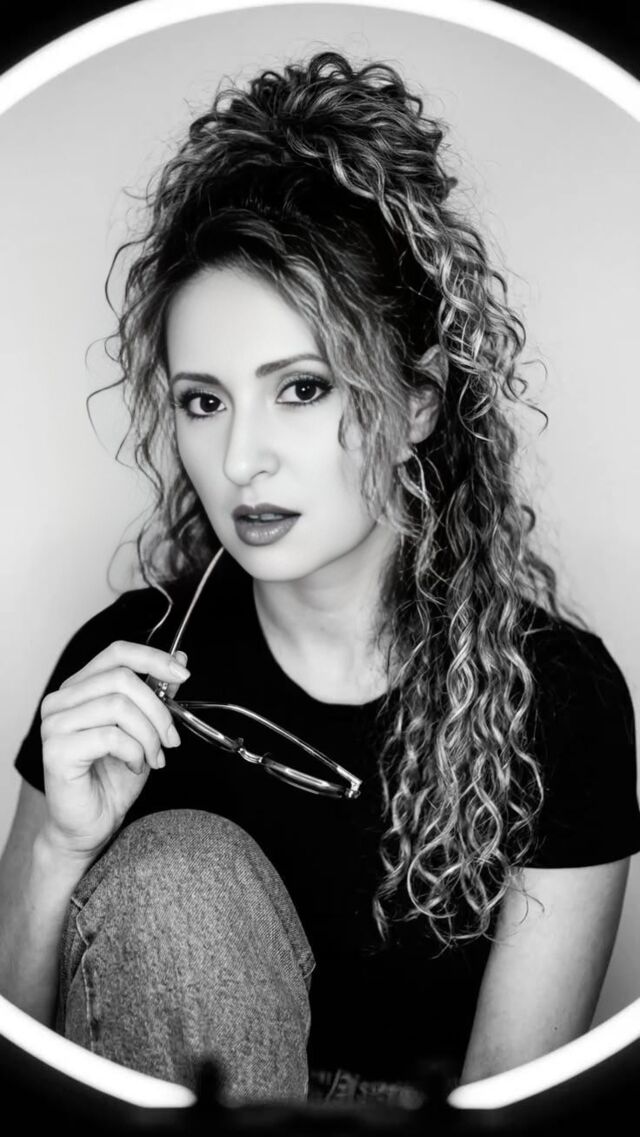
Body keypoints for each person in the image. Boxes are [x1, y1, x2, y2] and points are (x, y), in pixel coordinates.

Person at [0, 51, 638, 1109]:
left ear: (418, 403)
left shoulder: (555, 700)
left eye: (300, 388)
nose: (240, 459)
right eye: (203, 401)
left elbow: (510, 1091)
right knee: (181, 875)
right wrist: (60, 847)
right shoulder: (126, 672)